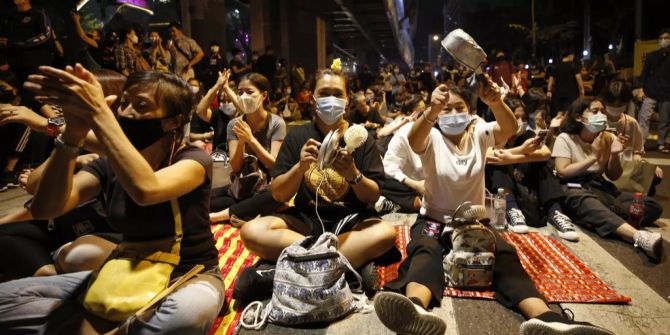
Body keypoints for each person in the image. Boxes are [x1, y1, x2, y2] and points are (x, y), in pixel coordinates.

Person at [375, 80, 613, 335]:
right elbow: (414, 139)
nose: (454, 114)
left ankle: (547, 317)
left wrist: (496, 102)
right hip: (434, 217)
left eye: (460, 107)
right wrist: (432, 110)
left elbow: (508, 128)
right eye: (447, 109)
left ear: (470, 110)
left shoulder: (480, 133)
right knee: (425, 249)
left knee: (503, 255)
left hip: (473, 221)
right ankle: (415, 309)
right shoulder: (431, 136)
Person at [0, 66, 225, 334]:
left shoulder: (192, 159)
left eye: (141, 106)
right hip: (124, 272)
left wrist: (98, 114)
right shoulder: (107, 163)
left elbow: (146, 190)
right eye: (124, 103)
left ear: (173, 121)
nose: (127, 113)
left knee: (188, 314)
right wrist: (72, 135)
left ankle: (89, 326)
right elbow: (45, 207)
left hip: (189, 274)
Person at [234, 69, 398, 305]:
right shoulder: (298, 136)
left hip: (351, 222)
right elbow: (279, 194)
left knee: (385, 233)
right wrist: (300, 168)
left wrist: (353, 174)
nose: (330, 99)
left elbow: (373, 195)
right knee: (251, 231)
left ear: (347, 99)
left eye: (337, 93)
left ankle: (280, 274)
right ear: (312, 98)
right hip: (305, 221)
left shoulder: (361, 138)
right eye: (324, 93)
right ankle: (342, 267)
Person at [552, 98, 663, 261]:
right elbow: (562, 172)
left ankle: (603, 218)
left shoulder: (607, 137)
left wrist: (614, 154)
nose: (601, 115)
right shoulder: (566, 138)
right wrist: (593, 156)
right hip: (574, 186)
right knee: (585, 201)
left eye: (602, 111)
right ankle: (637, 236)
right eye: (595, 111)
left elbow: (613, 175)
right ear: (578, 117)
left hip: (600, 187)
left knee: (652, 206)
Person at [485, 97, 579, 241]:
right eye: (515, 117)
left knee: (542, 165)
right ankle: (512, 210)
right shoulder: (491, 135)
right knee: (498, 165)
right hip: (503, 188)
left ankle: (556, 213)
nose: (520, 122)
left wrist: (512, 157)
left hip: (525, 183)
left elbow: (545, 153)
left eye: (523, 117)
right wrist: (521, 152)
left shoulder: (527, 135)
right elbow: (490, 155)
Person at [209, 73, 286, 218]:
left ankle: (219, 216)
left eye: (249, 92)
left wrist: (251, 140)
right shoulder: (234, 124)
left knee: (273, 195)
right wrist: (241, 142)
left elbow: (273, 165)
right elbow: (236, 167)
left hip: (266, 187)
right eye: (240, 93)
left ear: (263, 95)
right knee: (204, 199)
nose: (244, 96)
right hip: (242, 186)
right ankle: (244, 210)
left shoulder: (276, 123)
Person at [638, 28, 670, 153]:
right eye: (661, 38)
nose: (663, 41)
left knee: (664, 120)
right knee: (644, 117)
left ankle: (661, 143)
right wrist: (641, 89)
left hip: (667, 93)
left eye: (666, 38)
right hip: (651, 91)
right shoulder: (652, 56)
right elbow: (644, 74)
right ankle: (641, 143)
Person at [547, 52, 584, 118]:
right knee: (571, 113)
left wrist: (549, 91)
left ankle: (558, 126)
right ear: (570, 56)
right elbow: (578, 78)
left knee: (558, 114)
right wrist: (582, 90)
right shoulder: (573, 65)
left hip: (558, 93)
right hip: (572, 93)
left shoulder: (555, 66)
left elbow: (551, 80)